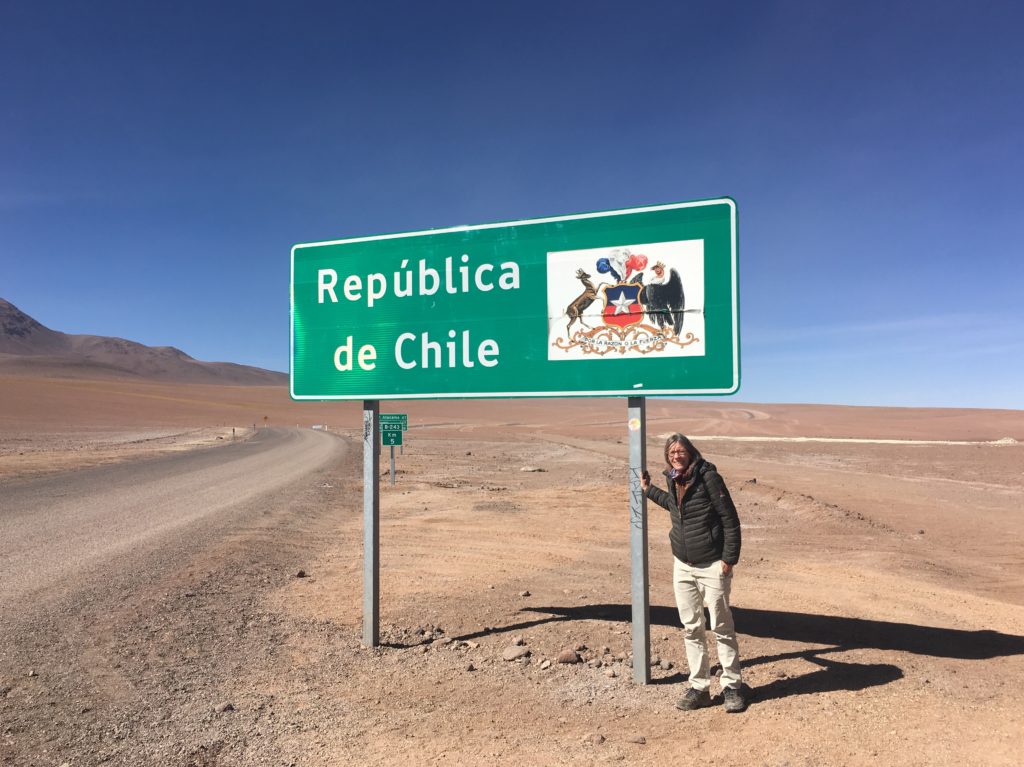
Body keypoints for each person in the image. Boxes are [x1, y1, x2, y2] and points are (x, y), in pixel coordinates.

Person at [641, 433, 746, 713]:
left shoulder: (708, 477)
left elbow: (730, 519)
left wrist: (728, 559)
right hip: (683, 565)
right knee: (691, 628)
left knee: (722, 626)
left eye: (681, 450)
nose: (676, 455)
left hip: (712, 564)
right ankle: (699, 687)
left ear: (691, 452)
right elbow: (674, 506)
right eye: (672, 451)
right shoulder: (674, 478)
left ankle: (732, 686)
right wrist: (649, 489)